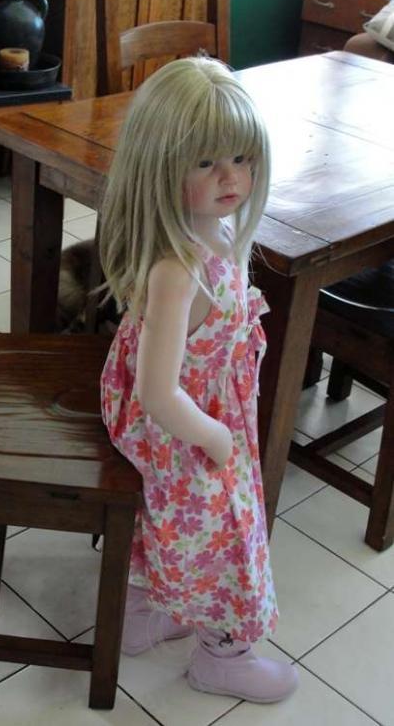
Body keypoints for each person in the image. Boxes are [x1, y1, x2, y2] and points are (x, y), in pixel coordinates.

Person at [99, 56, 298, 703]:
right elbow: (158, 394)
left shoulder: (210, 232)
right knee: (229, 528)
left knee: (171, 520)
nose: (230, 177)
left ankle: (146, 612)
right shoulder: (178, 269)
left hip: (199, 405)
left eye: (241, 158)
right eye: (206, 162)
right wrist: (215, 437)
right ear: (161, 169)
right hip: (181, 421)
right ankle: (223, 654)